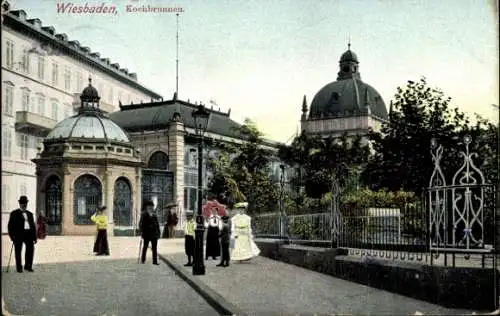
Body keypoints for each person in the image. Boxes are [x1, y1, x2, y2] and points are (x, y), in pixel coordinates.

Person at [7, 196, 37, 273]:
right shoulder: (14, 213)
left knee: (30, 250)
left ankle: (28, 266)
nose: (24, 205)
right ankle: (19, 268)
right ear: (19, 203)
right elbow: (10, 226)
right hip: (19, 235)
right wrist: (12, 236)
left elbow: (33, 227)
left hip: (29, 235)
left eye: (25, 203)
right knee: (18, 251)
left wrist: (34, 237)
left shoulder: (30, 214)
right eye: (22, 203)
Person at [139, 200, 161, 265]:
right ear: (146, 207)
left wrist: (158, 233)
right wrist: (141, 232)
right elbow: (141, 224)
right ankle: (143, 259)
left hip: (154, 234)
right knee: (145, 247)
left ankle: (155, 261)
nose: (151, 208)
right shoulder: (143, 215)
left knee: (154, 248)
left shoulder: (155, 215)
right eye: (149, 207)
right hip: (147, 234)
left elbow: (157, 225)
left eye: (152, 207)